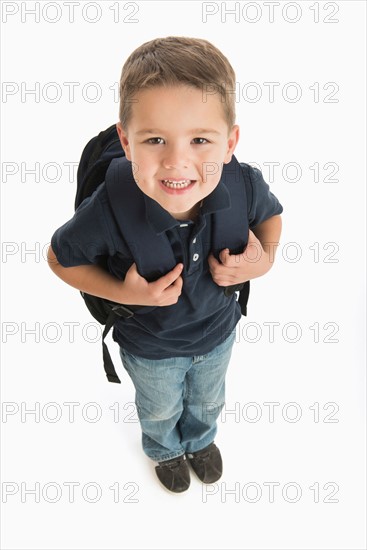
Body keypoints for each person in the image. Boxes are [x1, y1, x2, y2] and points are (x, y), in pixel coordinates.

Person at [47, 36, 283, 493]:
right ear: (126, 140)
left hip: (218, 333)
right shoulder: (109, 208)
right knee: (158, 407)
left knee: (209, 397)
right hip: (149, 348)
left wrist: (263, 262)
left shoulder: (244, 183)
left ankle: (199, 439)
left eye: (200, 139)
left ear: (230, 141)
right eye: (155, 139)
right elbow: (59, 257)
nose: (177, 162)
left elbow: (271, 217)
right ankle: (163, 448)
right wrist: (126, 294)